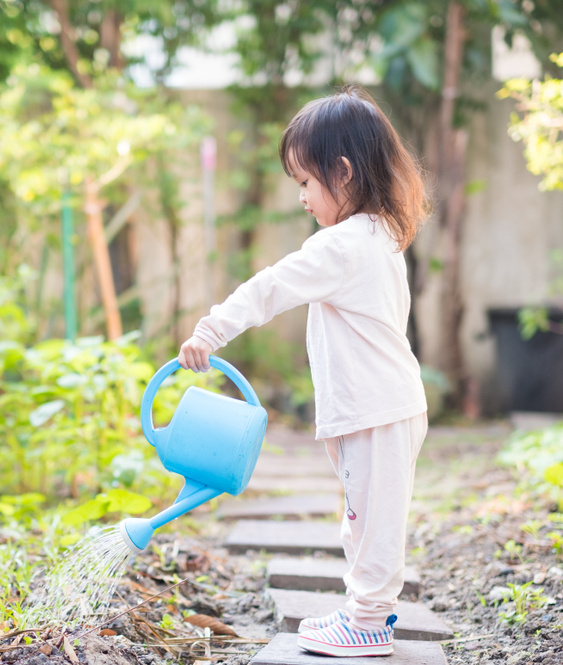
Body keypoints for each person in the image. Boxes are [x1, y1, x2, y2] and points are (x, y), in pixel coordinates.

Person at [177, 87, 429, 658]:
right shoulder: (380, 235)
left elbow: (271, 286)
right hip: (375, 408)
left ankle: (368, 624)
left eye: (306, 183)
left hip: (377, 411)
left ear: (342, 173)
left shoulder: (342, 246)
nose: (302, 198)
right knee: (364, 517)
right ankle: (365, 613)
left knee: (372, 523)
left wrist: (211, 331)